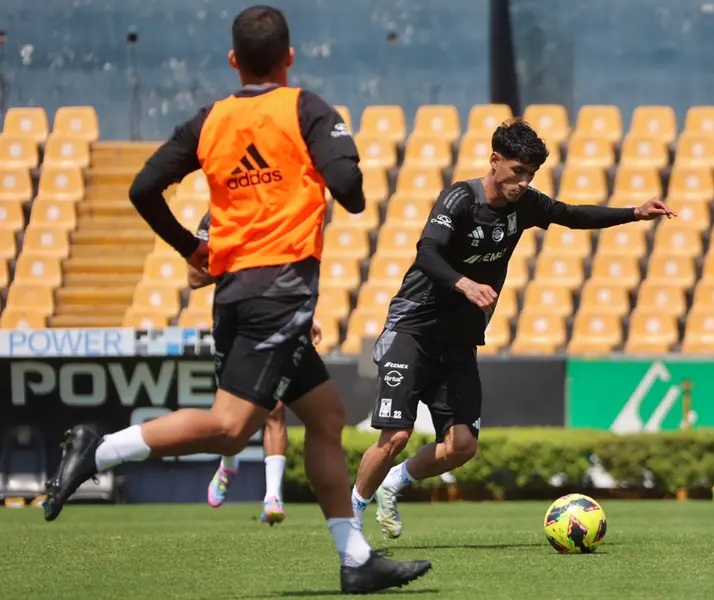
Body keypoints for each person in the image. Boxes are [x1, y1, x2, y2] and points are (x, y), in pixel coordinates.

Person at [42, 5, 431, 592]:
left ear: (233, 61)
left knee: (327, 417)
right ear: (289, 58)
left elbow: (144, 187)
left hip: (237, 292)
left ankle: (355, 560)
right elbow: (350, 192)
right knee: (230, 428)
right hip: (278, 291)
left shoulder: (211, 120)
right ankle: (98, 449)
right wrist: (325, 169)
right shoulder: (306, 108)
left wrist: (188, 250)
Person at [350, 118, 676, 538]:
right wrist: (464, 283)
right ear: (494, 161)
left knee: (462, 447)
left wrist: (634, 213)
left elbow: (572, 215)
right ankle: (351, 517)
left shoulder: (525, 206)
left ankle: (394, 483)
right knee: (396, 435)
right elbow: (427, 252)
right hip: (413, 328)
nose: (523, 182)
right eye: (517, 171)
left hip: (458, 340)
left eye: (531, 174)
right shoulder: (459, 200)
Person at [193, 211, 303, 526]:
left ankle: (272, 496)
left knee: (275, 409)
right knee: (229, 417)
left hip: (274, 320)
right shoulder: (216, 217)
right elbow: (195, 275)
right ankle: (228, 464)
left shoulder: (277, 213)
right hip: (233, 325)